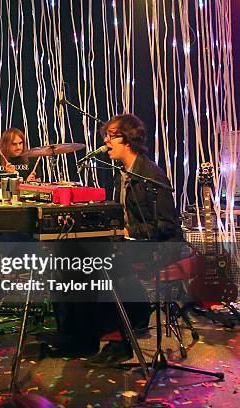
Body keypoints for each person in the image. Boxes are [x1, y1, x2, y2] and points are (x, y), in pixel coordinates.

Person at [83, 113, 182, 367]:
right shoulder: (122, 173)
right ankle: (101, 331)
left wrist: (129, 232)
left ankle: (120, 340)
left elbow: (167, 225)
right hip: (136, 243)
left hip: (161, 247)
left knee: (105, 268)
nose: (105, 141)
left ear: (127, 140)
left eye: (111, 136)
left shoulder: (151, 175)